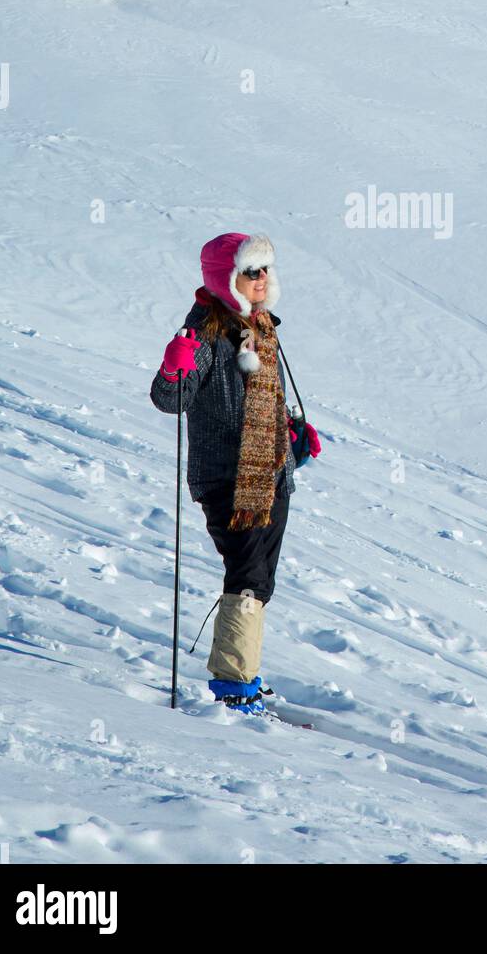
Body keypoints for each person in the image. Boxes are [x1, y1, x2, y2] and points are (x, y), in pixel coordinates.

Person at [150, 232, 320, 714]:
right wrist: (171, 368)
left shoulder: (261, 325)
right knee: (246, 575)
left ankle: (244, 673)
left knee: (260, 579)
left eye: (266, 268)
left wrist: (291, 430)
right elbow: (170, 400)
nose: (262, 278)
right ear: (227, 278)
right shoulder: (205, 331)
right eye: (251, 270)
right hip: (228, 477)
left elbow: (262, 397)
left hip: (271, 473)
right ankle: (232, 686)